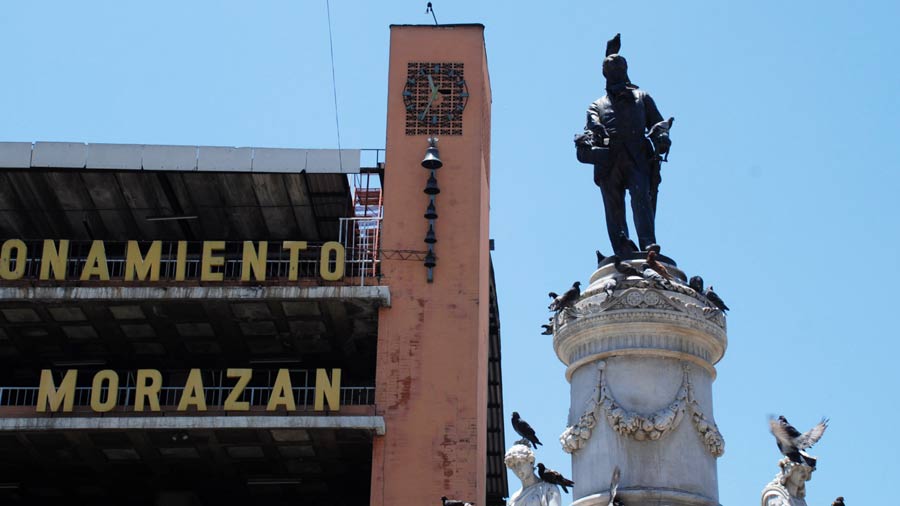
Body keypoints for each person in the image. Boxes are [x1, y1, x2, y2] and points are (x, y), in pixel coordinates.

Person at [580, 34, 671, 256]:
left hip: (637, 156)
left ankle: (648, 243)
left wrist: (662, 135)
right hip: (609, 160)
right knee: (614, 208)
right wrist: (587, 142)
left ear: (626, 70)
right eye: (611, 71)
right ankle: (622, 247)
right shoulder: (596, 106)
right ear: (605, 75)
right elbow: (589, 131)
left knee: (641, 199)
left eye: (619, 69)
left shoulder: (641, 97)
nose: (615, 74)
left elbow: (658, 122)